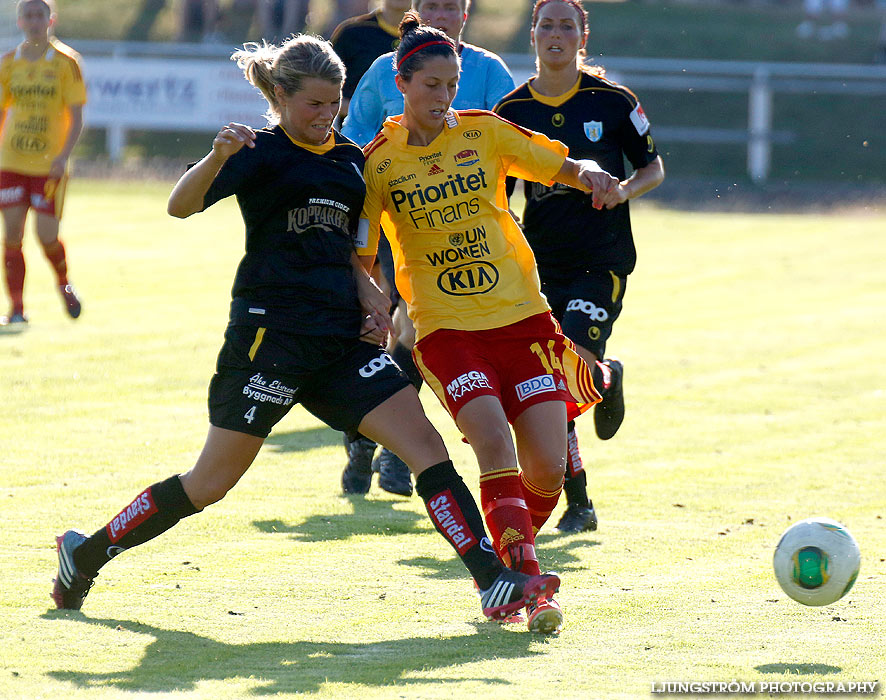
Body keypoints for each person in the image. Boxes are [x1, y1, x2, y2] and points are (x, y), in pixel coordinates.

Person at [49, 34, 560, 627]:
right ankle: (83, 554)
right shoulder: (256, 150)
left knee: (426, 449)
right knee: (209, 483)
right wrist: (215, 157)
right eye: (314, 105)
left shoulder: (350, 159)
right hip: (269, 343)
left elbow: (348, 248)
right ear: (282, 98)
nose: (326, 116)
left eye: (335, 103)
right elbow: (179, 206)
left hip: (340, 344)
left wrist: (370, 292)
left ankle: (493, 580)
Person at [357, 13, 618, 633]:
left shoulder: (484, 134)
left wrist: (592, 174)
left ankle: (508, 562)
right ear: (403, 82)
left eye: (451, 85)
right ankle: (521, 584)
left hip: (524, 321)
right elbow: (362, 252)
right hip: (445, 330)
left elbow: (559, 165)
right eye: (431, 86)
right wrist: (370, 296)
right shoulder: (379, 164)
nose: (444, 98)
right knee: (493, 443)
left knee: (549, 468)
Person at [494, 0, 664, 534]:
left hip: (601, 259)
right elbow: (499, 193)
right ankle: (580, 503)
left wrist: (624, 192)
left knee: (565, 374)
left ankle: (601, 382)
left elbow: (652, 167)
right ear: (535, 36)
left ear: (581, 36)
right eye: (547, 25)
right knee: (547, 384)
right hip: (539, 265)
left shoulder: (614, 102)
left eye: (568, 26)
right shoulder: (512, 110)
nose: (556, 34)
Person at [340, 0, 516, 498]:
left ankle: (366, 438)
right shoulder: (384, 70)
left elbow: (508, 146)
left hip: (472, 233)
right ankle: (395, 450)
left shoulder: (489, 71)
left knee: (413, 332)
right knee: (414, 327)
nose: (441, 12)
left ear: (465, 14)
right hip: (403, 223)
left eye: (451, 5)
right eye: (431, 3)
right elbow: (353, 143)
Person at [0, 0, 84, 327]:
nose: (35, 21)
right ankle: (17, 309)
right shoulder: (8, 63)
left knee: (46, 236)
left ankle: (63, 283)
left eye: (40, 15)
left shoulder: (67, 63)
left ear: (51, 19)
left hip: (49, 165)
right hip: (11, 162)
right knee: (12, 235)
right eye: (28, 15)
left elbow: (76, 118)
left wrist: (63, 157)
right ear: (19, 21)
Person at [330, 0, 411, 127]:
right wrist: (365, 113)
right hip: (358, 138)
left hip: (414, 139)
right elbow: (324, 87)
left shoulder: (429, 35)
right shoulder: (351, 33)